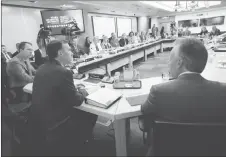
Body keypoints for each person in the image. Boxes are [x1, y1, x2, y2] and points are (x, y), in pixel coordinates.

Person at [140, 37, 226, 140]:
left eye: (170, 59)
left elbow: (145, 113)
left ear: (179, 62)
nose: (168, 63)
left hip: (168, 150)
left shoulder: (158, 91)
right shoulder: (222, 91)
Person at [28, 40, 97, 156]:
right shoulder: (63, 72)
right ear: (60, 53)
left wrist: (71, 89)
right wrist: (83, 92)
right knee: (91, 113)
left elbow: (55, 88)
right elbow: (76, 101)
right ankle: (82, 143)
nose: (71, 52)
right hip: (58, 121)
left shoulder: (42, 68)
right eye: (69, 50)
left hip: (39, 118)